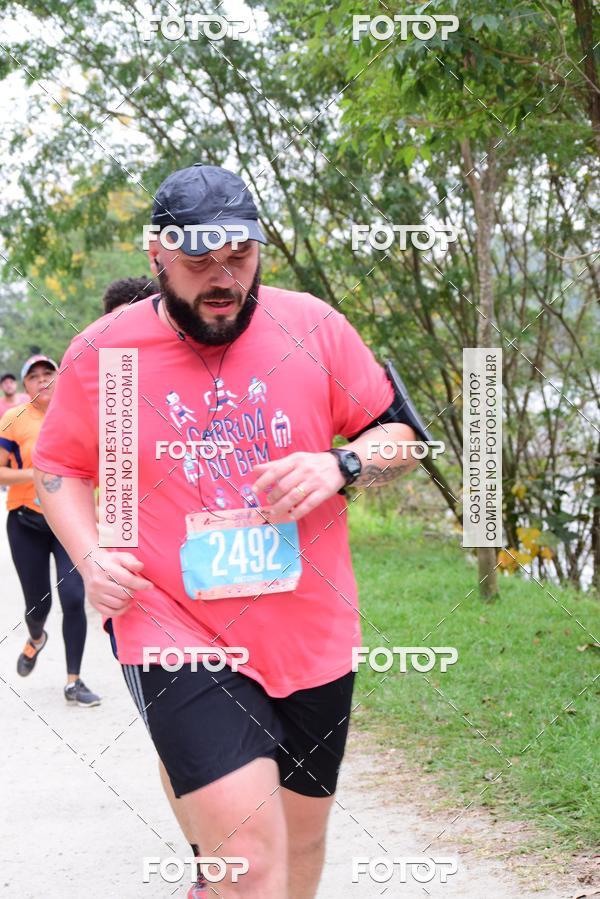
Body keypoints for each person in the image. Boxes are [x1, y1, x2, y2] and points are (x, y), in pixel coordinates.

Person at [32, 163, 419, 898]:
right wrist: (87, 554)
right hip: (172, 626)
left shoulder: (314, 328)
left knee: (300, 850)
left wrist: (343, 462)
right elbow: (59, 467)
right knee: (252, 866)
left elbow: (398, 435)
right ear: (156, 256)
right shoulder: (106, 352)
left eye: (238, 257)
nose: (223, 278)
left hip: (311, 631)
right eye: (198, 261)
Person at [0, 355, 101, 706]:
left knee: (74, 597)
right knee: (37, 604)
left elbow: (99, 467)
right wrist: (38, 473)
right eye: (34, 376)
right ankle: (36, 637)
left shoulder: (79, 416)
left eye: (49, 373)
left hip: (68, 522)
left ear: (61, 378)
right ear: (25, 385)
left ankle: (74, 681)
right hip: (26, 522)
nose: (42, 380)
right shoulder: (13, 420)